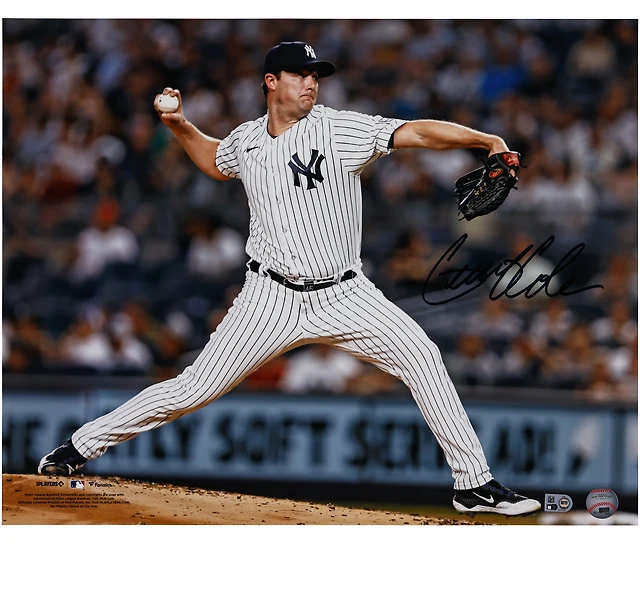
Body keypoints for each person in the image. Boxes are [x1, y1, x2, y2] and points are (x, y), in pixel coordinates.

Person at [38, 41, 540, 517]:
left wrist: (484, 140)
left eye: (315, 75)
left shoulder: (337, 129)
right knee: (192, 389)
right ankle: (78, 447)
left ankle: (473, 484)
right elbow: (215, 160)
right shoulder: (248, 139)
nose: (311, 83)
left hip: (344, 293)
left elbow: (417, 133)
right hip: (269, 296)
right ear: (271, 81)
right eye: (300, 74)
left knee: (423, 357)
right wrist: (179, 125)